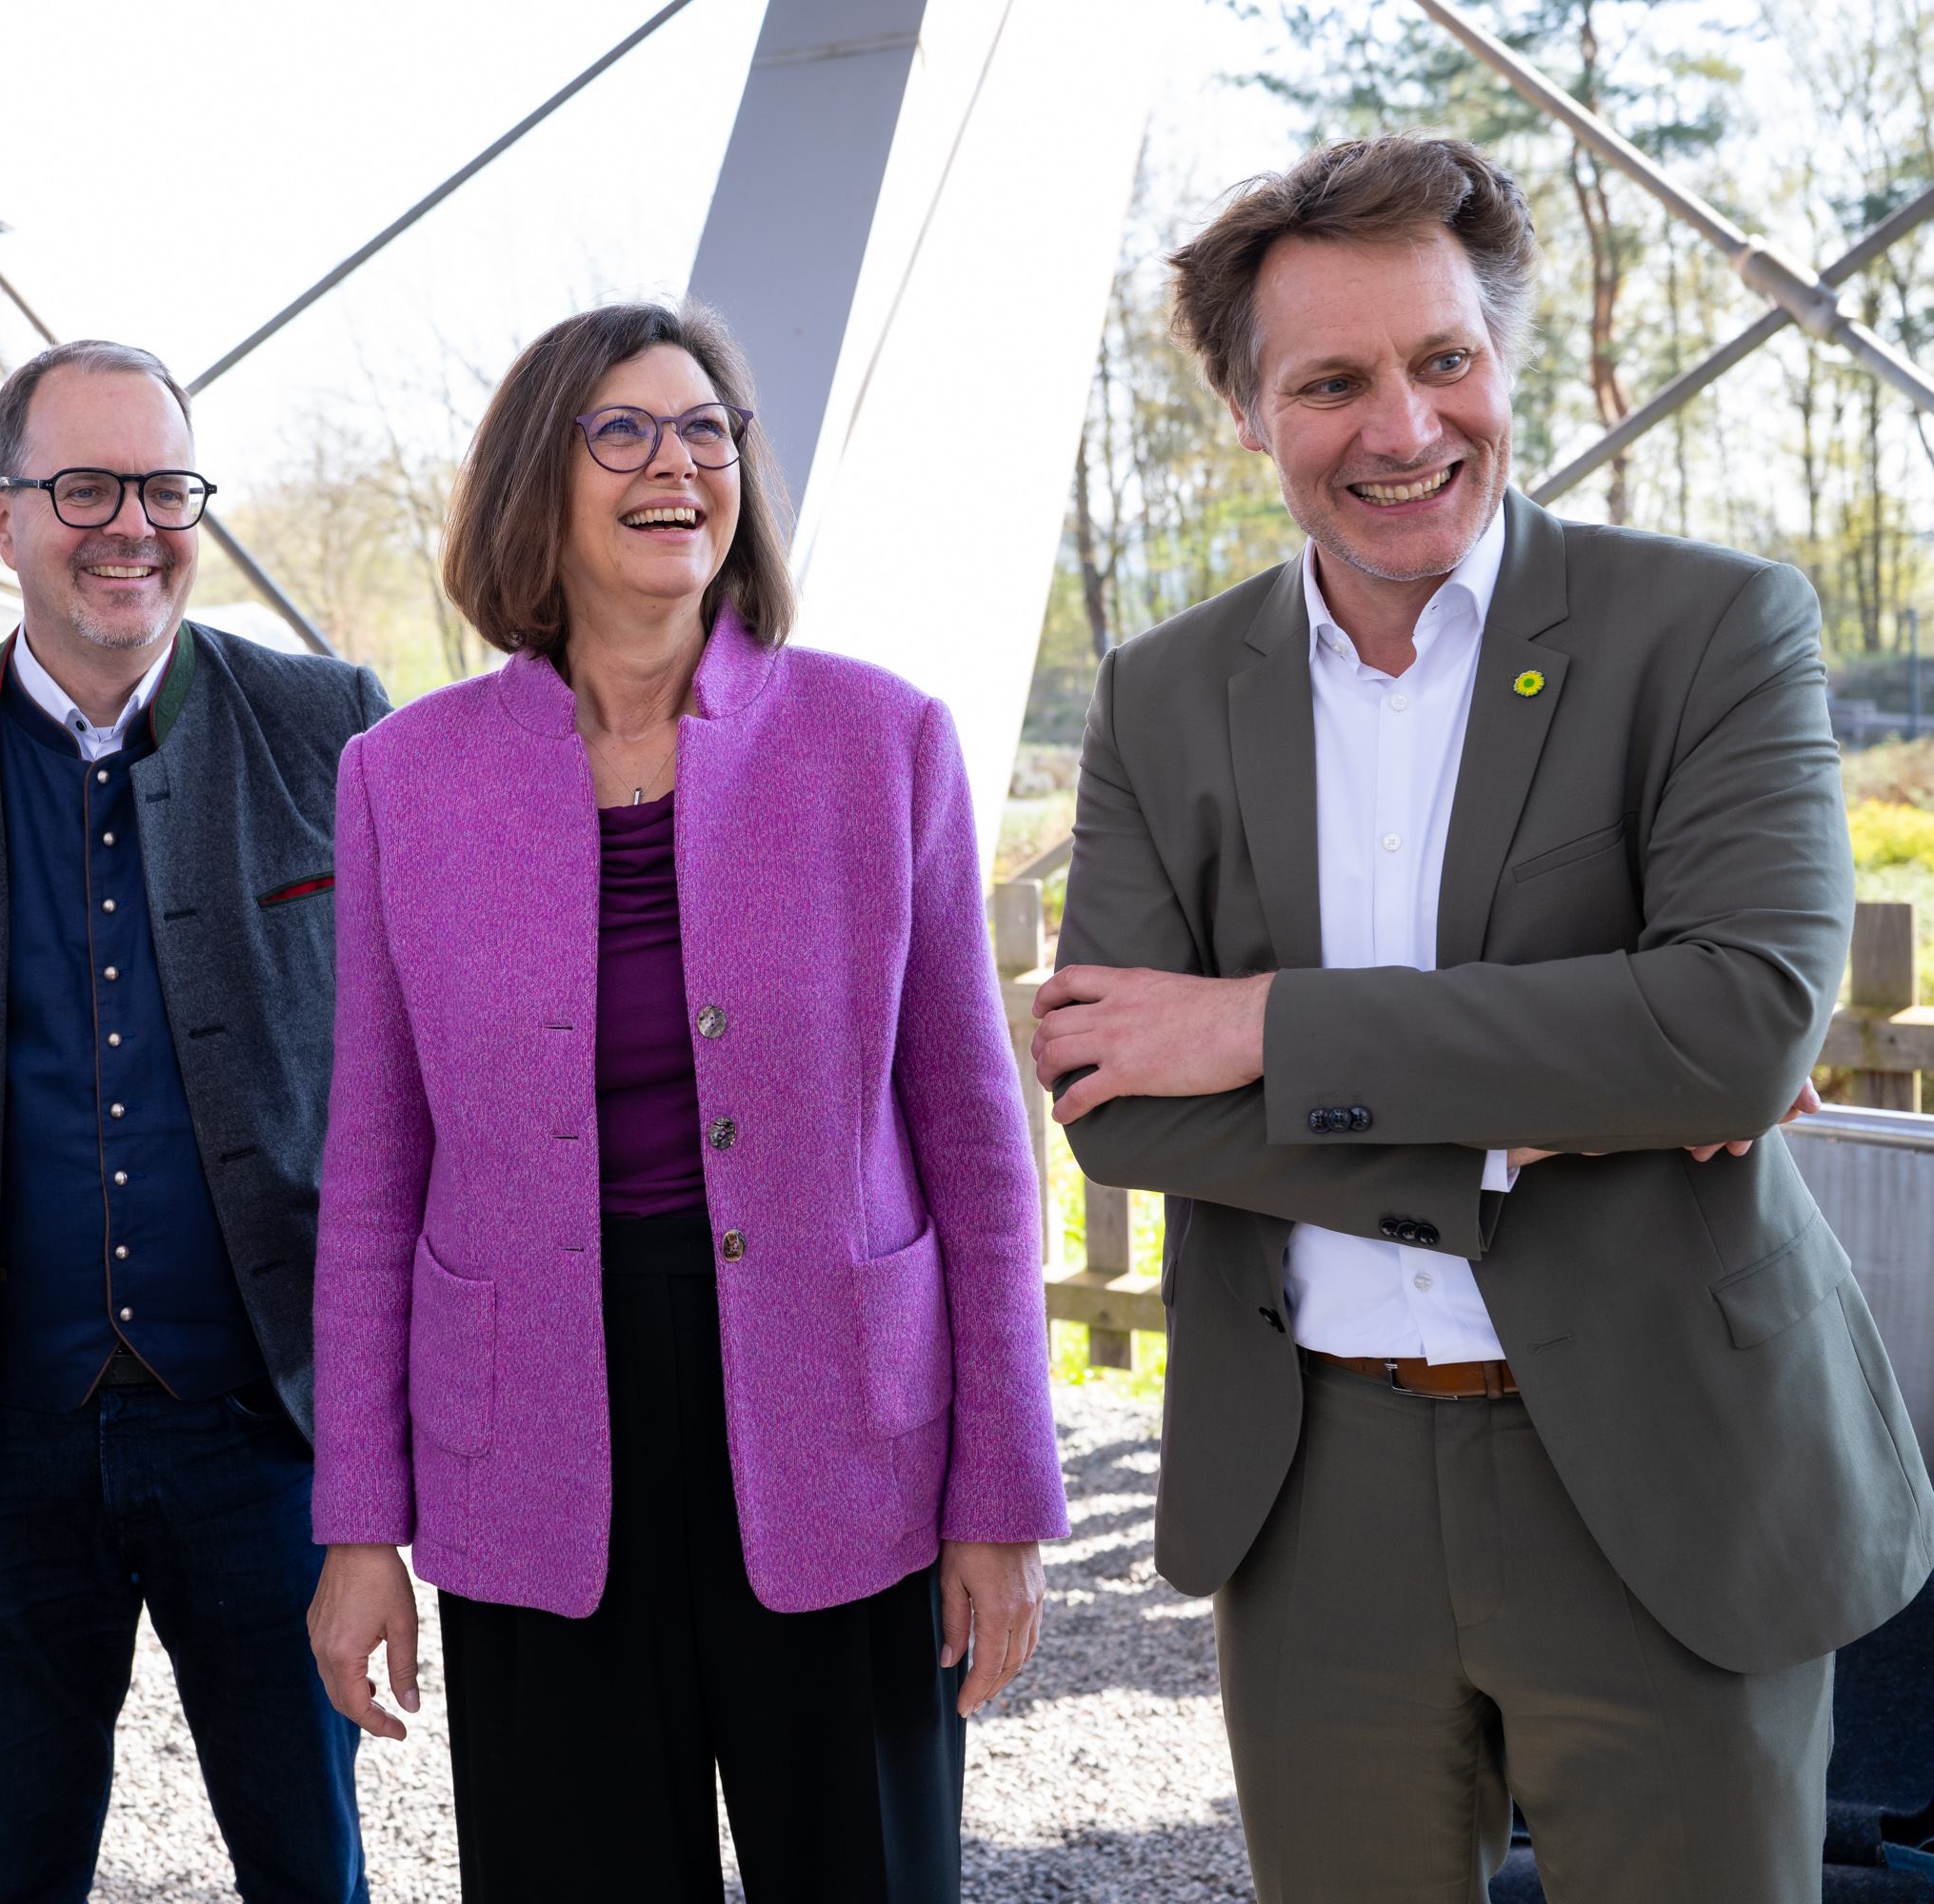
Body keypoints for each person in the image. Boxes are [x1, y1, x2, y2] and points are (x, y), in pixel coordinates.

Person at [1032, 134, 1934, 1903]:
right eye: (1331, 383)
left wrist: (1265, 1028)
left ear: (1502, 355)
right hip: (1316, 1482)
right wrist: (1551, 1112)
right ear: (1248, 413)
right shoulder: (1161, 695)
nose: (1405, 427)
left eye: (1445, 358)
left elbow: (1742, 1023)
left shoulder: (1711, 629)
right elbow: (1117, 1092)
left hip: (1672, 1460)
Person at [305, 301, 1068, 1903]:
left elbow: (978, 1152)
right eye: (625, 431)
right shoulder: (403, 778)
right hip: (532, 1445)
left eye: (706, 430)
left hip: (842, 1431)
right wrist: (360, 1525)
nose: (678, 462)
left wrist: (1000, 1496)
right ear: (539, 479)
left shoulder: (882, 741)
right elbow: (374, 1168)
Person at [0, 340, 390, 1904]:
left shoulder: (331, 725)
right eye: (84, 487)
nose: (133, 523)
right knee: (12, 1870)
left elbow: (405, 1077)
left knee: (310, 1864)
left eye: (165, 486)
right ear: (2, 517)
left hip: (268, 1435)